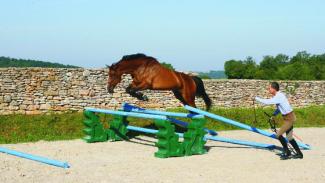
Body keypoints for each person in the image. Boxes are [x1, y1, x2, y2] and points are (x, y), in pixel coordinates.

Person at [255, 82, 303, 160]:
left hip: (289, 119)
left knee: (278, 135)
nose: (268, 89)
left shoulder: (279, 96)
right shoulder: (279, 96)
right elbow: (279, 108)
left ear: (274, 89)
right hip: (289, 118)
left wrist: (256, 98)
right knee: (289, 137)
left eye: (269, 88)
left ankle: (287, 152)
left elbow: (267, 102)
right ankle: (300, 154)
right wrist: (274, 115)